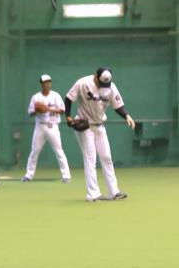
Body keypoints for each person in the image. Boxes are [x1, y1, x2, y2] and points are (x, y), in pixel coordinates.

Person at [65, 67, 135, 202]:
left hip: (100, 127)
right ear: (95, 77)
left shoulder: (111, 87)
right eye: (101, 82)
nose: (104, 86)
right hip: (85, 126)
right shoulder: (83, 83)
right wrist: (68, 116)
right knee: (90, 158)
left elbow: (117, 105)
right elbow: (68, 98)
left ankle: (113, 191)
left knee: (107, 157)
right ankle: (93, 194)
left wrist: (126, 116)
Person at [21, 74, 71, 183]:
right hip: (40, 126)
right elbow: (30, 112)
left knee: (59, 151)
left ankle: (66, 175)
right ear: (41, 84)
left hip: (53, 126)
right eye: (45, 82)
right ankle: (29, 175)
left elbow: (62, 110)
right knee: (34, 151)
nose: (47, 84)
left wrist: (47, 109)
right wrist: (37, 110)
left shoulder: (55, 96)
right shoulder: (36, 97)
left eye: (49, 82)